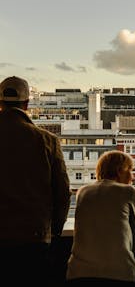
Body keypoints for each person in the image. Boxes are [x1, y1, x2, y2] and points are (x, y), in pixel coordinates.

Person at [0, 76, 71, 284]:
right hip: (34, 237)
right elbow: (62, 193)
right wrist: (53, 231)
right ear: (27, 103)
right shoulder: (47, 140)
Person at [66, 150, 135, 285]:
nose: (133, 176)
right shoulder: (129, 192)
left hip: (78, 271)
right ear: (120, 170)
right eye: (130, 169)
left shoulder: (82, 191)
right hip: (118, 272)